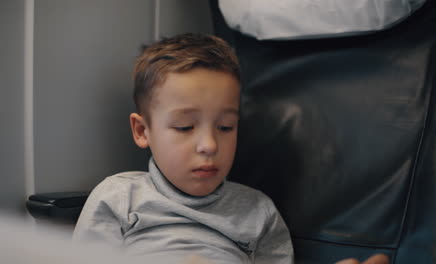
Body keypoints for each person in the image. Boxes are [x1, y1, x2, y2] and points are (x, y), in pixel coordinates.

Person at [73, 33, 388, 264]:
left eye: (225, 127)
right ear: (143, 131)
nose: (210, 145)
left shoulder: (257, 211)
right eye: (185, 127)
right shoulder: (118, 197)